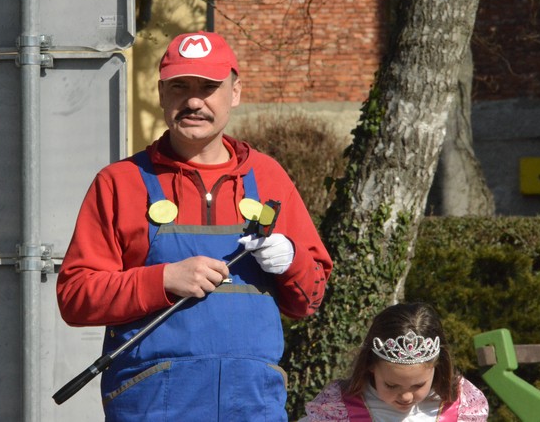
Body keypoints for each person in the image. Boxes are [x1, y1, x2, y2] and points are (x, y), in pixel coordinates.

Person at [56, 31, 333, 421]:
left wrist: (291, 261)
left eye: (208, 87)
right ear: (161, 94)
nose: (193, 101)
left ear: (235, 93)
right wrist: (163, 279)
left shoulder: (269, 178)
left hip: (251, 406)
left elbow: (309, 300)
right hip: (151, 408)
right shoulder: (120, 183)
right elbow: (75, 297)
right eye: (179, 87)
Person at [299, 302, 489, 422]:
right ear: (371, 365)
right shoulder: (341, 408)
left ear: (437, 365)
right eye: (391, 385)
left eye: (418, 385)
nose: (406, 397)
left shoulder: (458, 406)